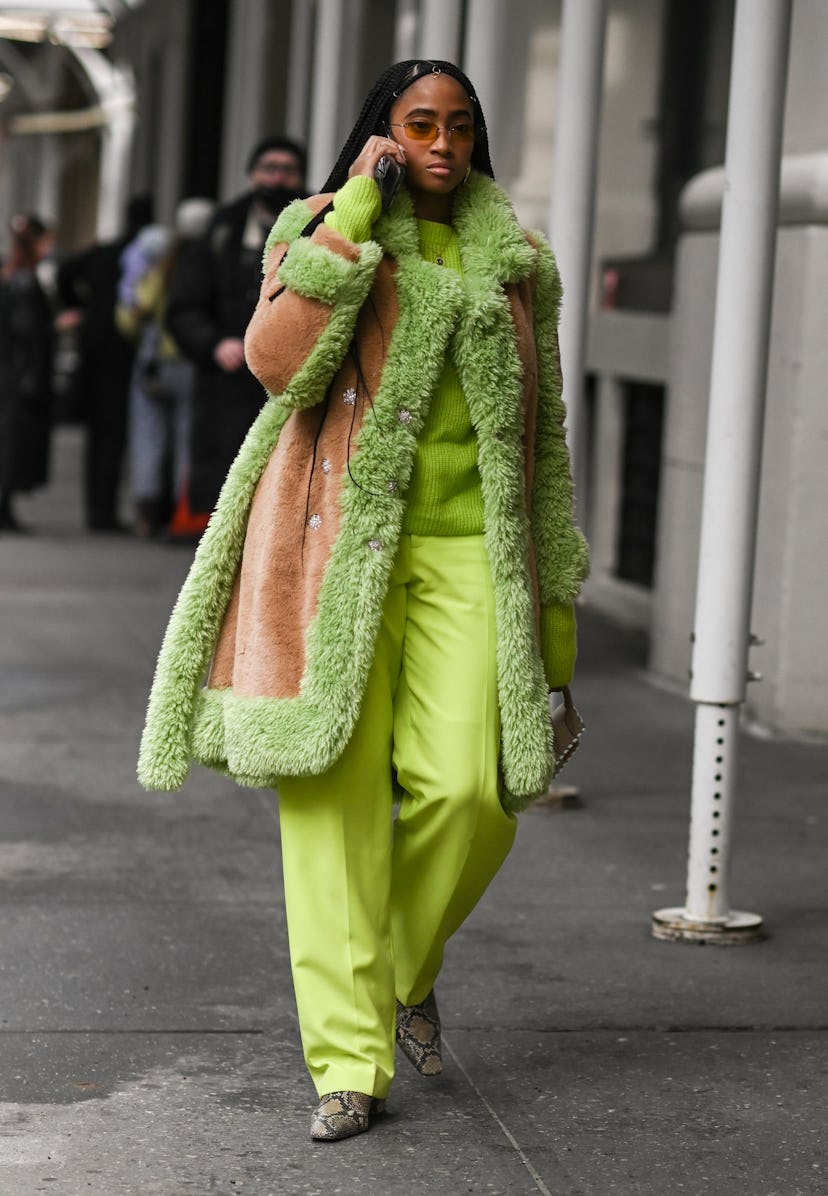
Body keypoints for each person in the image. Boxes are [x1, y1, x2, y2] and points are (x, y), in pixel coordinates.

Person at [138, 60, 589, 1141]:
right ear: (381, 134)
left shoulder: (520, 264)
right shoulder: (323, 225)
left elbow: (546, 435)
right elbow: (275, 364)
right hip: (330, 548)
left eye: (460, 126)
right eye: (418, 124)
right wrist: (353, 213)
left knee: (474, 790)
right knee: (331, 807)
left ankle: (399, 965)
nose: (442, 143)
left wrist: (557, 615)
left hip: (469, 550)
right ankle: (347, 1061)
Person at [164, 135, 306, 515]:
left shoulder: (320, 224)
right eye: (269, 169)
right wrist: (213, 343)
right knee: (228, 490)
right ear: (251, 176)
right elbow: (183, 305)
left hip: (293, 384)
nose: (277, 178)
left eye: (288, 171)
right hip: (228, 383)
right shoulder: (222, 230)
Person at [115, 199, 215, 538]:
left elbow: (132, 312)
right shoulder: (211, 262)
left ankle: (146, 513)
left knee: (148, 436)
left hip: (154, 362)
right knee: (189, 437)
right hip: (191, 363)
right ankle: (182, 515)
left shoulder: (161, 265)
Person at [57, 196, 154, 531]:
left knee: (100, 433)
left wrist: (81, 305)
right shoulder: (147, 254)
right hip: (124, 351)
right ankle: (105, 512)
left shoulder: (103, 252)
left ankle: (97, 509)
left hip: (96, 346)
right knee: (115, 432)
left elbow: (64, 271)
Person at [0, 214, 55, 533]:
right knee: (11, 442)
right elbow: (27, 328)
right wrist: (52, 327)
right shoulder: (24, 279)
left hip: (10, 370)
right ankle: (5, 505)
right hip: (17, 374)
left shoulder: (13, 273)